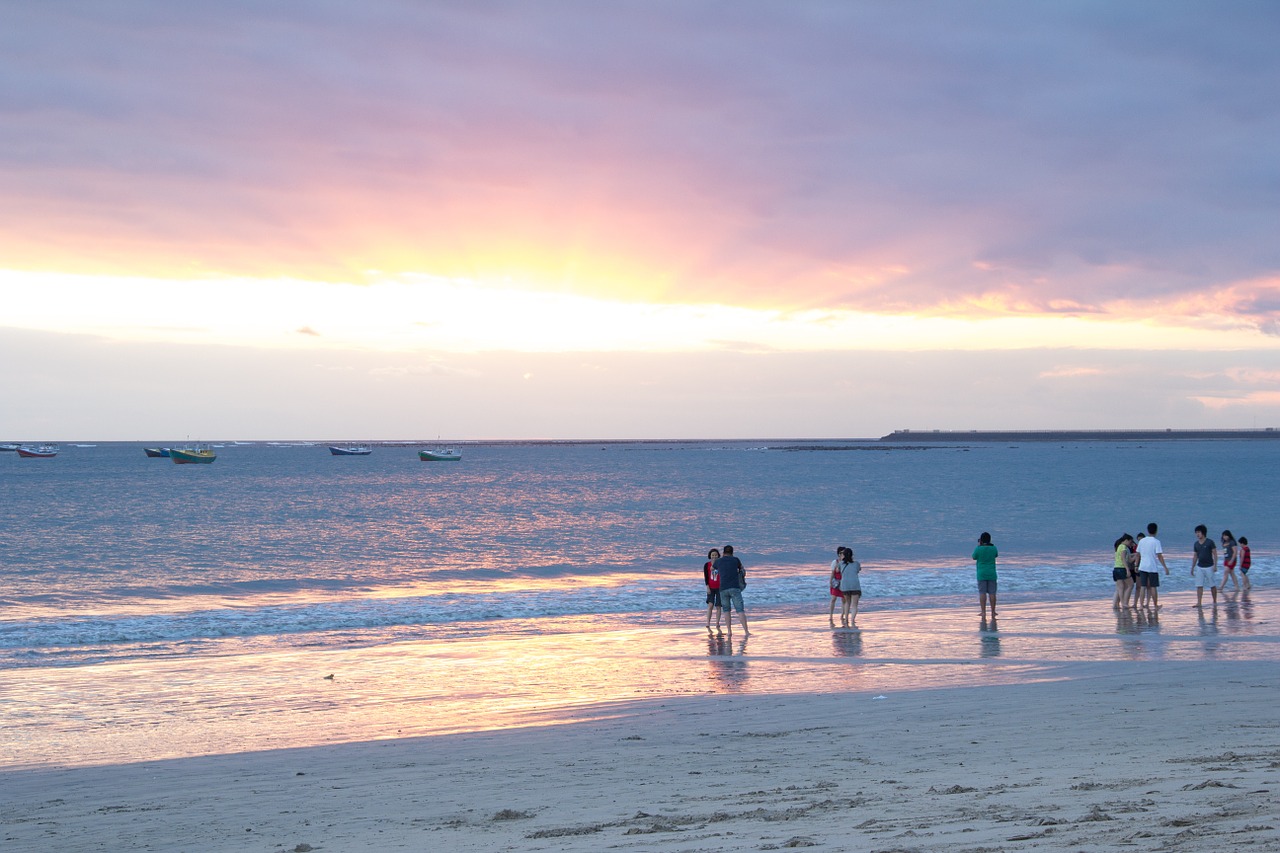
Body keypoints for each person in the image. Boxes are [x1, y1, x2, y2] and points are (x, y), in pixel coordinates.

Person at [714, 545, 749, 637]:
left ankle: (729, 631)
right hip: (734, 587)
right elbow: (742, 569)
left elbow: (712, 568)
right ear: (732, 553)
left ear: (723, 553)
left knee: (726, 610)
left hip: (723, 588)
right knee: (740, 610)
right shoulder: (735, 560)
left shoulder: (719, 561)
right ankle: (746, 631)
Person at [1135, 522, 1170, 608]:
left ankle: (1141, 605)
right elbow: (1159, 556)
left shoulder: (1142, 541)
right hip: (1152, 567)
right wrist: (1165, 567)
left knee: (1143, 586)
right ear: (1156, 531)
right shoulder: (1156, 542)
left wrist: (1136, 565)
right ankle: (1155, 605)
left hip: (1142, 566)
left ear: (1148, 530)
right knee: (1153, 586)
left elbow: (1138, 554)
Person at [972, 532, 998, 620]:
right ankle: (993, 611)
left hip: (981, 573)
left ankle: (983, 612)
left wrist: (979, 545)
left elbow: (974, 557)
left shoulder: (978, 549)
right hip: (992, 573)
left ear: (981, 540)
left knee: (982, 593)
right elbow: (996, 555)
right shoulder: (993, 548)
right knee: (992, 593)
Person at [1191, 524, 1219, 607]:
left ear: (1203, 533)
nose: (1197, 534)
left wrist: (1215, 565)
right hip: (1200, 566)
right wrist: (1192, 567)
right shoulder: (1196, 544)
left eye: (1199, 532)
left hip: (1209, 566)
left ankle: (1214, 601)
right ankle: (1199, 602)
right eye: (1196, 532)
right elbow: (1195, 556)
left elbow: (1215, 554)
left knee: (1212, 585)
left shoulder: (1210, 542)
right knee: (1199, 585)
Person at [840, 547, 863, 627]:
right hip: (855, 585)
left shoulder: (840, 564)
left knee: (847, 603)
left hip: (845, 585)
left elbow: (838, 571)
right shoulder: (856, 563)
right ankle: (852, 620)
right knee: (854, 605)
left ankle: (846, 619)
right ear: (852, 555)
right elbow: (858, 570)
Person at [1113, 534, 1135, 608]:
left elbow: (1128, 559)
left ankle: (1120, 604)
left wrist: (1135, 555)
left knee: (1121, 587)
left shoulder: (1119, 546)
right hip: (1121, 568)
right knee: (1131, 584)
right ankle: (1124, 603)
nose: (1130, 543)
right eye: (1130, 541)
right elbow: (1123, 559)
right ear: (1126, 540)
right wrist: (1127, 569)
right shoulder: (1123, 547)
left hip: (1116, 568)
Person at [703, 548, 722, 634]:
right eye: (712, 555)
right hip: (711, 587)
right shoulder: (707, 565)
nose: (714, 556)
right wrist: (707, 587)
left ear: (718, 556)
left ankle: (717, 623)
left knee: (718, 606)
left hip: (720, 588)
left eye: (715, 555)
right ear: (710, 556)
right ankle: (708, 623)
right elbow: (706, 577)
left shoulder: (721, 564)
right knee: (710, 605)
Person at [828, 547, 846, 626]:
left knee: (844, 600)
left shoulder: (846, 562)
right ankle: (831, 616)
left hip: (844, 582)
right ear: (839, 554)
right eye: (842, 553)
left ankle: (842, 615)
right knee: (833, 598)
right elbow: (833, 572)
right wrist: (830, 581)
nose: (843, 554)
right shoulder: (835, 562)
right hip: (836, 582)